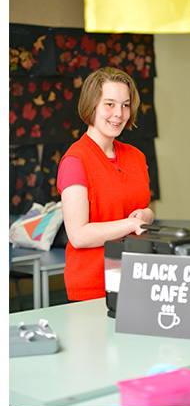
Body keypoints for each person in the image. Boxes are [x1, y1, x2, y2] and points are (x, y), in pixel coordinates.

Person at [57, 67, 154, 300]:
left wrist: (146, 215)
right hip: (93, 288)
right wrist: (130, 225)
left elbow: (138, 211)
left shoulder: (136, 156)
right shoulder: (75, 160)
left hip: (137, 279)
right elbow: (79, 235)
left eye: (125, 105)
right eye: (109, 104)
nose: (119, 114)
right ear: (92, 106)